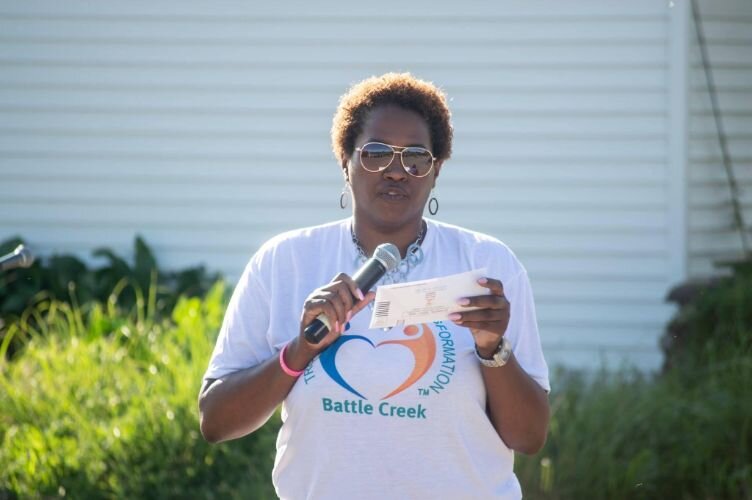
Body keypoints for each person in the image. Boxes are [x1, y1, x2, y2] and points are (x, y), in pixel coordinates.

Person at [198, 73, 550, 499]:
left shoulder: (488, 265)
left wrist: (492, 347)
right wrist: (300, 350)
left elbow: (529, 437)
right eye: (376, 153)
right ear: (343, 162)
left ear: (436, 170)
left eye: (416, 157)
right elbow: (216, 422)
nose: (396, 172)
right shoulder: (284, 262)